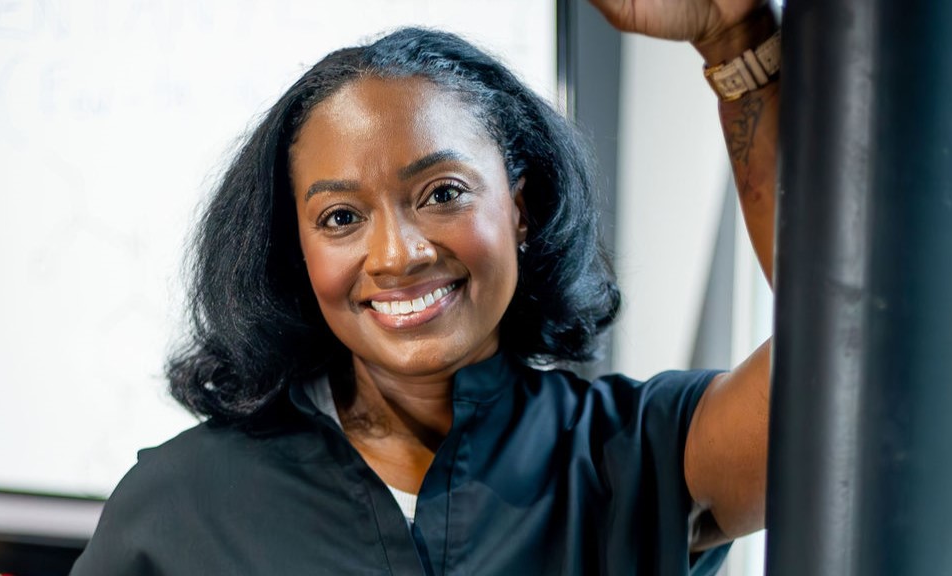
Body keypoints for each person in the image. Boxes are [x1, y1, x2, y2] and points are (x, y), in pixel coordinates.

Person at [72, 0, 780, 573]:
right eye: (341, 217)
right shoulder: (180, 506)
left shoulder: (642, 455)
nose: (397, 254)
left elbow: (854, 365)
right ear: (298, 250)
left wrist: (735, 39)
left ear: (521, 210)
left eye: (442, 193)